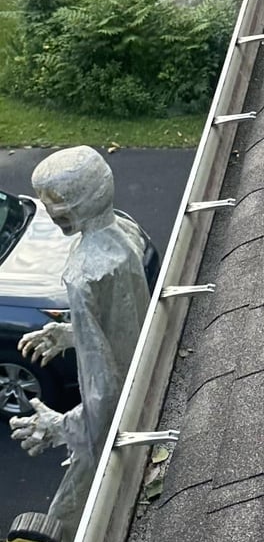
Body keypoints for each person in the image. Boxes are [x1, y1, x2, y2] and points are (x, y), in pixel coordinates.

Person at [9, 148, 149, 542]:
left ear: (74, 207)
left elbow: (104, 390)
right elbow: (126, 320)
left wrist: (59, 426)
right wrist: (68, 333)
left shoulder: (84, 274)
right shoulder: (126, 232)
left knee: (67, 522)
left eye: (52, 202)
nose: (47, 210)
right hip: (141, 386)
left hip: (105, 432)